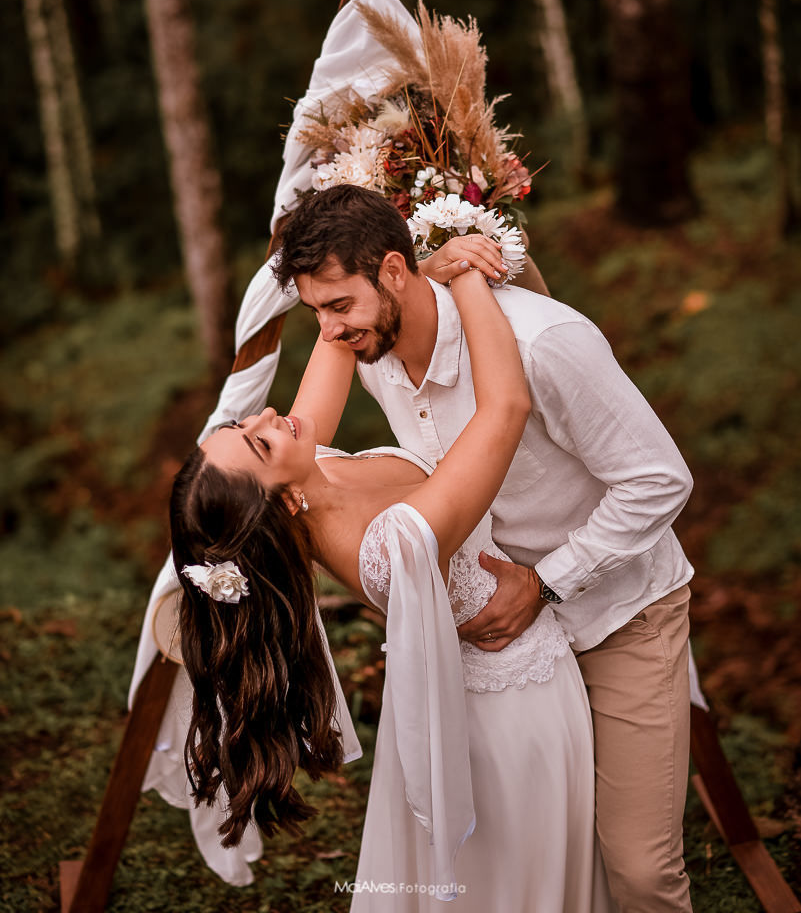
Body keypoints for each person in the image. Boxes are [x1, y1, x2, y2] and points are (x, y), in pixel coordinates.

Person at [272, 183, 695, 913]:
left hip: (618, 617)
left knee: (638, 871)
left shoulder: (541, 342)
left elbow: (659, 481)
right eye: (316, 312)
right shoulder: (369, 351)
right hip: (505, 658)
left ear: (397, 271)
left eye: (339, 305)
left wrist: (547, 582)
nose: (331, 332)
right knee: (535, 853)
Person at [171, 228, 615, 911]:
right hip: (511, 716)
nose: (269, 415)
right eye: (257, 440)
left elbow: (334, 338)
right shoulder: (392, 543)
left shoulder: (306, 468)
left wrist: (409, 280)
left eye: (246, 424)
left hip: (505, 686)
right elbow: (505, 408)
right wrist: (466, 280)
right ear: (275, 503)